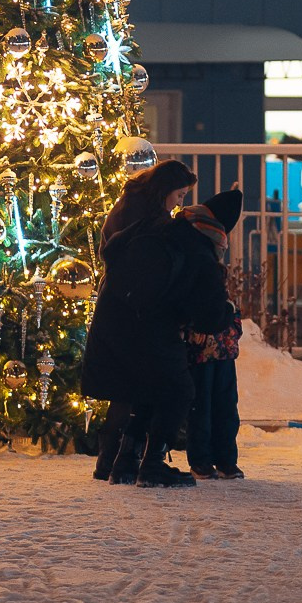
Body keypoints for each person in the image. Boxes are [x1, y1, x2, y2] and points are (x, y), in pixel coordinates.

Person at [82, 160, 235, 487]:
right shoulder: (196, 246)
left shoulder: (154, 223)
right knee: (178, 390)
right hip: (145, 320)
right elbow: (209, 314)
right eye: (178, 195)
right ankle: (150, 466)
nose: (180, 203)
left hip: (117, 311)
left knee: (144, 389)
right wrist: (227, 312)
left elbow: (116, 251)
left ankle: (123, 464)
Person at [176, 189, 247, 480]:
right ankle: (211, 459)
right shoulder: (202, 244)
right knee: (210, 404)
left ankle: (219, 459)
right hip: (208, 340)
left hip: (216, 343)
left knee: (218, 404)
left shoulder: (194, 236)